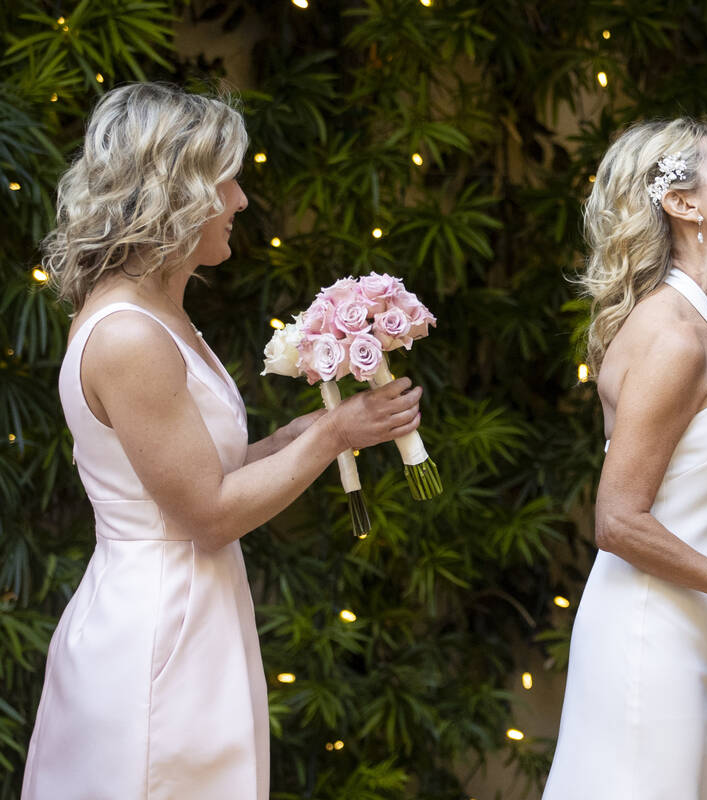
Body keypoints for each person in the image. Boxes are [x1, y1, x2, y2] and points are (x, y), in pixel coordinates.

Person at [21, 83, 424, 800]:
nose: (240, 200)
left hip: (197, 610)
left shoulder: (159, 311)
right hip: (157, 630)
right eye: (227, 180)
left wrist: (300, 434)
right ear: (176, 194)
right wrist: (333, 433)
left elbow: (207, 470)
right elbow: (207, 514)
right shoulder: (127, 336)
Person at [542, 119, 707, 800]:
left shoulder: (703, 325)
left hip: (697, 646)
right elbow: (618, 521)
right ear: (681, 203)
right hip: (651, 648)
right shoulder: (674, 337)